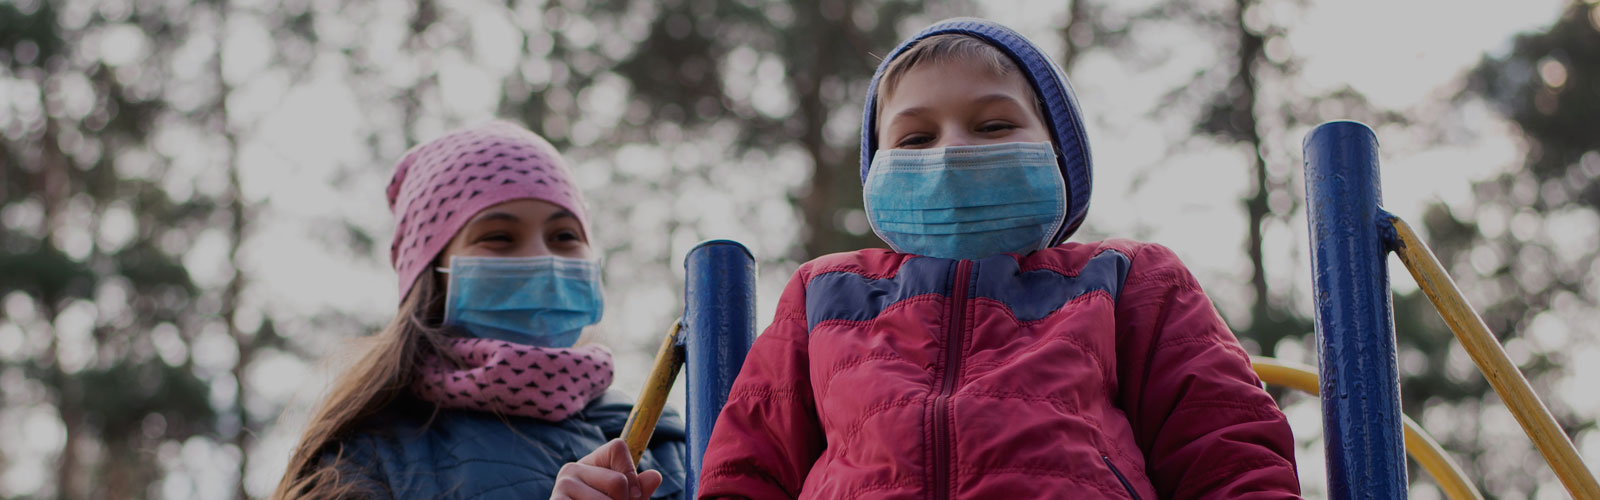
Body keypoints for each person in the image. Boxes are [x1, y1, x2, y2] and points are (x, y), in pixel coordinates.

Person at [696, 18, 1301, 499]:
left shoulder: (1129, 279)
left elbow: (1226, 456)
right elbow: (748, 473)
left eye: (992, 126)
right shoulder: (824, 293)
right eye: (915, 138)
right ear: (877, 172)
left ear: (1059, 157)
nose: (953, 150)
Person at [273, 121, 686, 500]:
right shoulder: (362, 462)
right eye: (500, 237)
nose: (541, 260)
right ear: (433, 277)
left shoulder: (668, 445)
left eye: (564, 235)